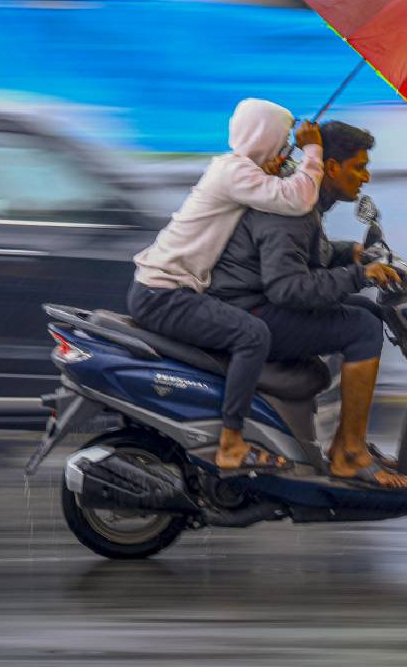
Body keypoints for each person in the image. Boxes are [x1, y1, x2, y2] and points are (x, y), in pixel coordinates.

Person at [208, 121, 407, 489]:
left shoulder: (308, 200)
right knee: (361, 328)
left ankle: (348, 439)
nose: (365, 177)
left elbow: (299, 255)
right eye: (358, 167)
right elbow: (288, 287)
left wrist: (350, 253)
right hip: (248, 311)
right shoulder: (294, 208)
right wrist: (360, 276)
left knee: (367, 312)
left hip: (257, 300)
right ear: (331, 167)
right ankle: (348, 454)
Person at [127, 98, 323, 472]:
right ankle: (231, 443)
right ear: (263, 139)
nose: (283, 155)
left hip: (162, 289)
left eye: (287, 148)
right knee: (253, 336)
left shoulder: (236, 171)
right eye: (282, 145)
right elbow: (298, 198)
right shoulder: (234, 173)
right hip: (164, 294)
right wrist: (312, 149)